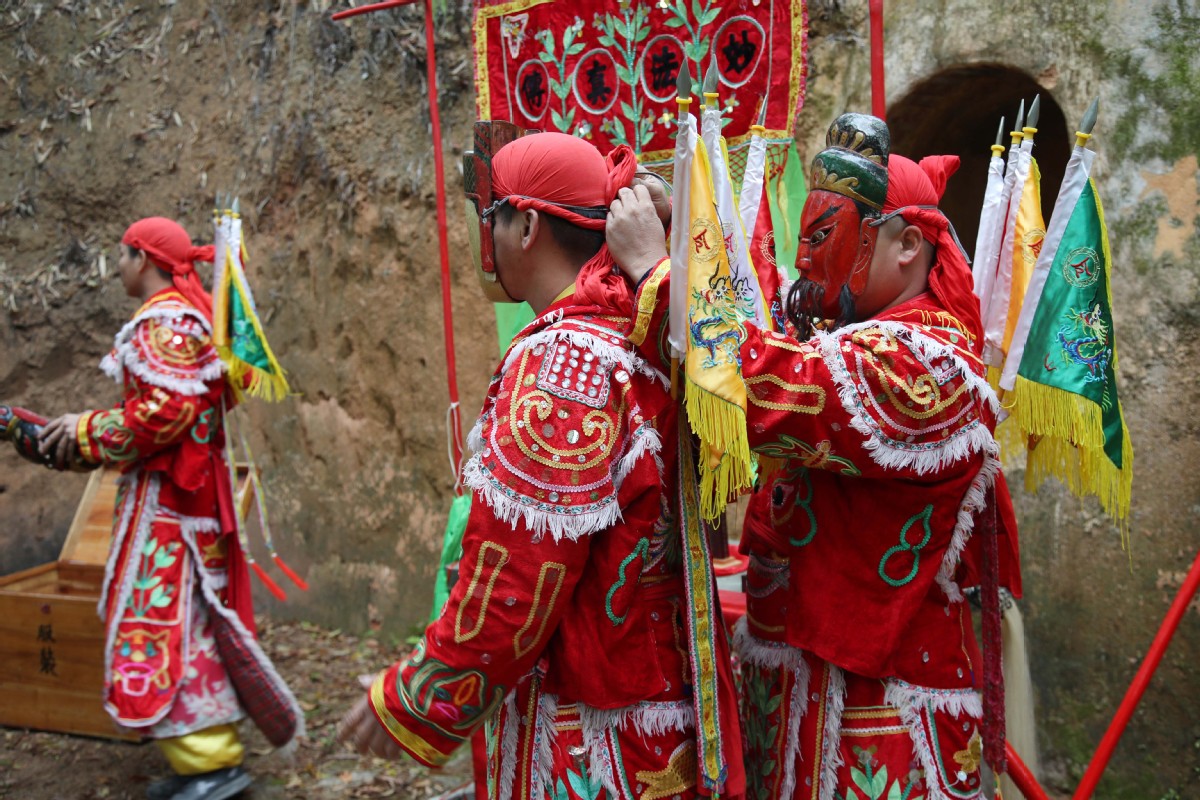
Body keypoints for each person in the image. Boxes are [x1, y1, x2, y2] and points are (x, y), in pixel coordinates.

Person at [606, 114, 1021, 800]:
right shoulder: (858, 340)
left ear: (909, 245)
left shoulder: (928, 367)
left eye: (824, 239)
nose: (803, 262)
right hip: (812, 701)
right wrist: (687, 230)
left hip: (885, 721)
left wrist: (658, 269)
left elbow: (768, 383)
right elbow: (773, 346)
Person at [337, 129, 745, 799]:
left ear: (525, 225)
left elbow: (521, 577)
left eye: (489, 215)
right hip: (662, 707)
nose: (484, 237)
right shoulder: (639, 331)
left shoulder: (564, 361)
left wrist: (417, 695)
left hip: (594, 736)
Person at [37, 217, 301, 800]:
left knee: (168, 622)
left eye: (124, 256)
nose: (120, 268)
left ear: (142, 258)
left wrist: (85, 431)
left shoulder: (165, 324)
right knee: (186, 621)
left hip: (173, 507)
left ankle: (213, 767)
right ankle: (201, 762)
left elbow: (166, 413)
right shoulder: (184, 318)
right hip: (180, 501)